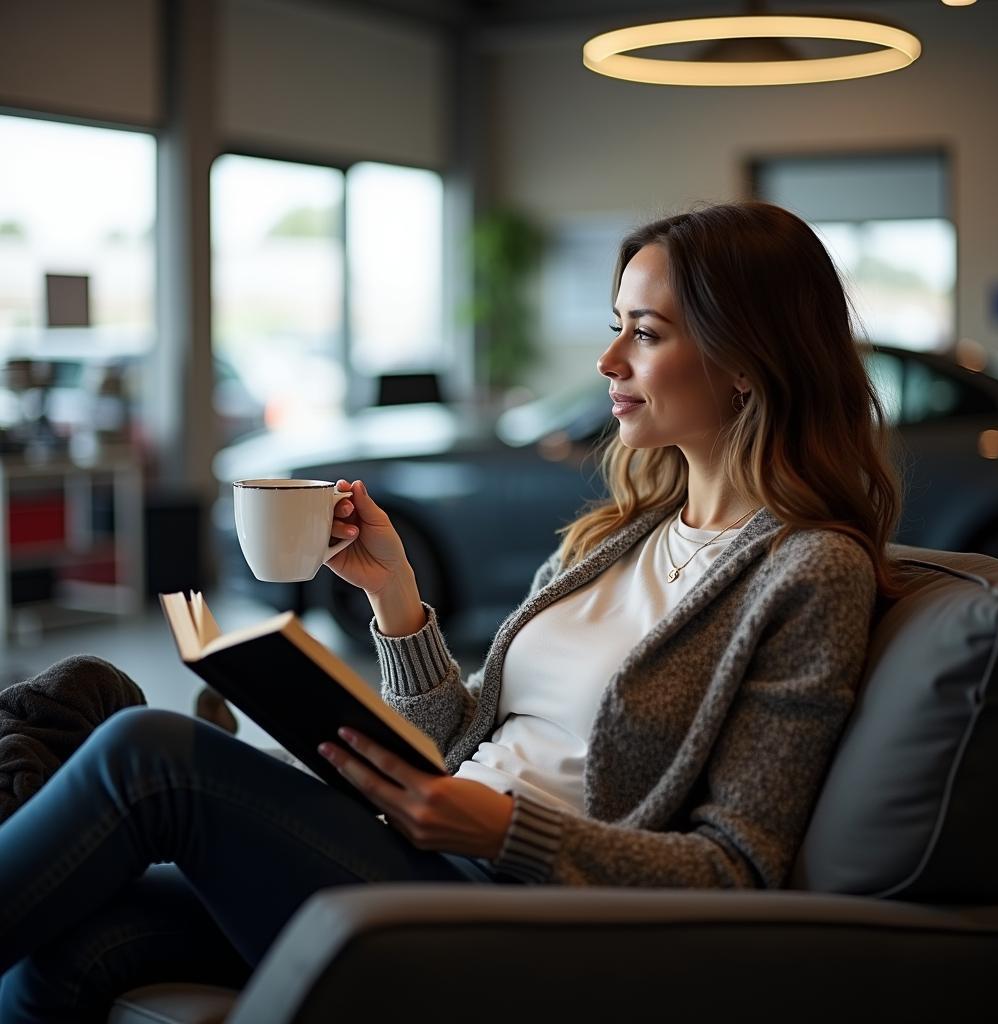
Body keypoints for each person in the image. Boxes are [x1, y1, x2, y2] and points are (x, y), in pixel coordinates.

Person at [0, 200, 906, 1021]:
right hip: (421, 848)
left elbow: (738, 865)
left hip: (513, 910)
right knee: (75, 950)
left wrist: (506, 831)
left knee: (147, 754)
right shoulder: (615, 534)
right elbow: (465, 735)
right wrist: (395, 600)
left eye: (647, 332)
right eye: (615, 327)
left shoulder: (809, 571)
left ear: (748, 361)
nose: (608, 360)